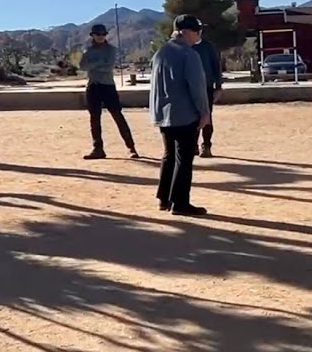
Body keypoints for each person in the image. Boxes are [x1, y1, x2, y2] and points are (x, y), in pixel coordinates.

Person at [149, 15, 212, 216]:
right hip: (185, 113)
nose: (199, 34)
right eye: (196, 30)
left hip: (164, 114)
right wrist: (204, 112)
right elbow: (197, 87)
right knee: (184, 158)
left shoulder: (160, 53)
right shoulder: (189, 54)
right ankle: (180, 203)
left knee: (169, 155)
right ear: (185, 32)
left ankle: (164, 198)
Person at [78, 23, 139, 160]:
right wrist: (99, 62)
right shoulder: (88, 51)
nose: (100, 36)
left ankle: (131, 147)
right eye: (98, 34)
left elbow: (108, 66)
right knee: (94, 119)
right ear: (93, 35)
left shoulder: (111, 50)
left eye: (103, 34)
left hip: (108, 86)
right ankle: (98, 148)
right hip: (93, 86)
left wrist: (93, 64)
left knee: (117, 115)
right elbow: (82, 67)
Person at [193, 33, 224, 158]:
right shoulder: (185, 47)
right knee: (191, 117)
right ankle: (193, 145)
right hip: (189, 88)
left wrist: (218, 86)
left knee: (207, 116)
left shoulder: (208, 47)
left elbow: (216, 66)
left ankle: (206, 145)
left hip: (207, 87)